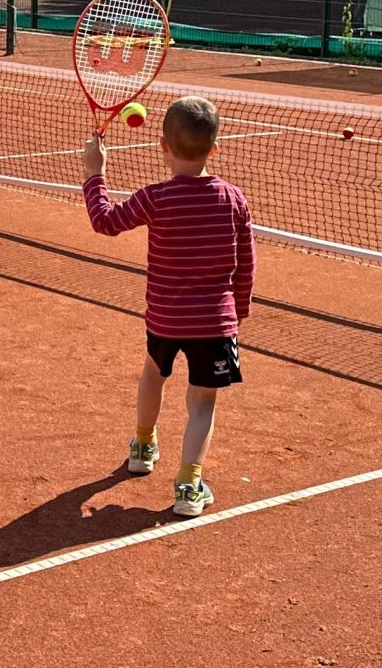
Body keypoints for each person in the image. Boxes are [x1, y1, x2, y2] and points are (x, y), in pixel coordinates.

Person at [80, 96, 255, 517]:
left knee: (152, 374)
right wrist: (240, 311)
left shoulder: (154, 198)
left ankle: (142, 448)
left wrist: (94, 173)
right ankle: (189, 486)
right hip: (215, 323)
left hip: (164, 317)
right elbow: (245, 263)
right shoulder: (233, 199)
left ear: (162, 146)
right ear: (214, 148)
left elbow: (104, 221)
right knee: (202, 403)